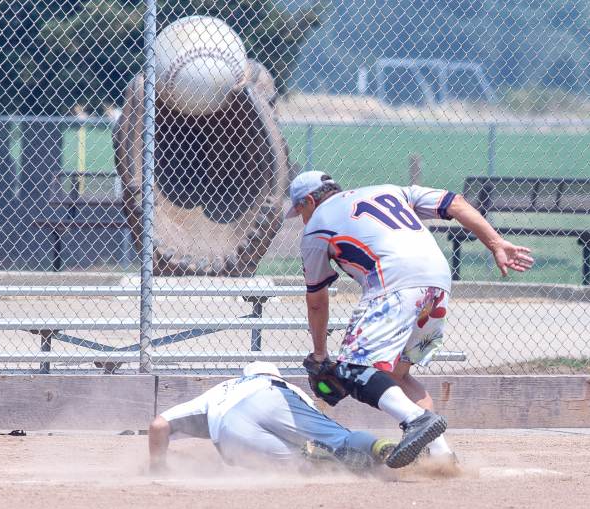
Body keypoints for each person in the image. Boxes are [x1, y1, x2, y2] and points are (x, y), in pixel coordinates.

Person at [284, 171, 534, 470]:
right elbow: (454, 202)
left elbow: (317, 301)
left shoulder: (315, 229)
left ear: (309, 200)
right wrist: (495, 243)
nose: (302, 220)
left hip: (395, 282)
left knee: (352, 368)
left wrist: (321, 353)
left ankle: (416, 419)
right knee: (396, 376)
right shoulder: (390, 189)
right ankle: (441, 457)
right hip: (437, 281)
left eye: (300, 211)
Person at [148, 362, 397, 474]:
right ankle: (380, 449)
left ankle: (329, 463)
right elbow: (309, 424)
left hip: (230, 426)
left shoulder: (223, 389)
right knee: (340, 440)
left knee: (302, 464)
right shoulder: (287, 387)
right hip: (277, 398)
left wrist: (158, 468)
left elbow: (158, 425)